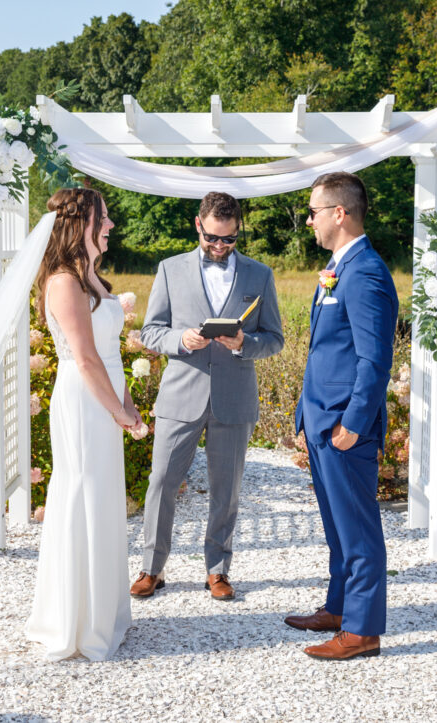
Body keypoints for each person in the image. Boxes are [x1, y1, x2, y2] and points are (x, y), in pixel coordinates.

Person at [132, 191, 284, 601]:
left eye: (229, 239)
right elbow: (150, 331)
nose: (220, 246)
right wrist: (180, 339)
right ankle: (151, 567)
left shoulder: (260, 275)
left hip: (234, 398)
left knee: (227, 489)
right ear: (198, 225)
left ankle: (218, 570)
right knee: (161, 482)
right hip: (181, 394)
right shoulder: (169, 269)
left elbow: (274, 339)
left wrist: (241, 343)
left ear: (238, 232)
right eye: (213, 238)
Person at [25, 188, 142, 661]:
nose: (111, 225)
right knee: (82, 495)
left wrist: (128, 404)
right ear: (82, 225)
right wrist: (119, 412)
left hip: (106, 395)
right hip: (82, 399)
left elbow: (112, 355)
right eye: (104, 217)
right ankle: (74, 621)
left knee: (104, 497)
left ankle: (104, 611)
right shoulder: (62, 283)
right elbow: (87, 358)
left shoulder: (92, 277)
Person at [287, 172, 398, 660]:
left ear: (340, 213)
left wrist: (352, 422)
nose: (308, 220)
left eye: (313, 211)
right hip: (321, 420)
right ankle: (337, 606)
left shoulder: (366, 271)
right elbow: (324, 352)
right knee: (336, 525)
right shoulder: (338, 267)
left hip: (344, 426)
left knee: (358, 529)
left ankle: (362, 630)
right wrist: (302, 416)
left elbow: (375, 360)